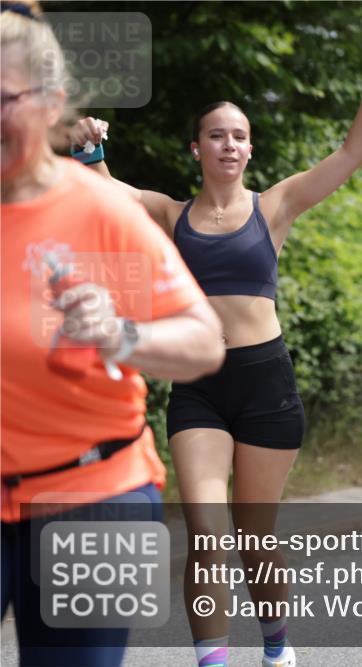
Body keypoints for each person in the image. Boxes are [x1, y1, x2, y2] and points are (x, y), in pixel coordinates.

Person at [71, 40, 362, 667]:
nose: (229, 144)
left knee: (255, 538)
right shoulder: (170, 214)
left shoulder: (274, 206)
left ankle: (276, 646)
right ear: (196, 149)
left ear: (250, 150)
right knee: (206, 532)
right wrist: (89, 146)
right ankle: (213, 660)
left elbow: (352, 153)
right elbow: (105, 191)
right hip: (199, 387)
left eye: (239, 136)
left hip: (265, 385)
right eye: (216, 136)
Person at [1, 3, 224, 665]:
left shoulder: (99, 211)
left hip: (94, 498)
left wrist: (122, 334)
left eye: (3, 99)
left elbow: (204, 342)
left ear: (53, 101)